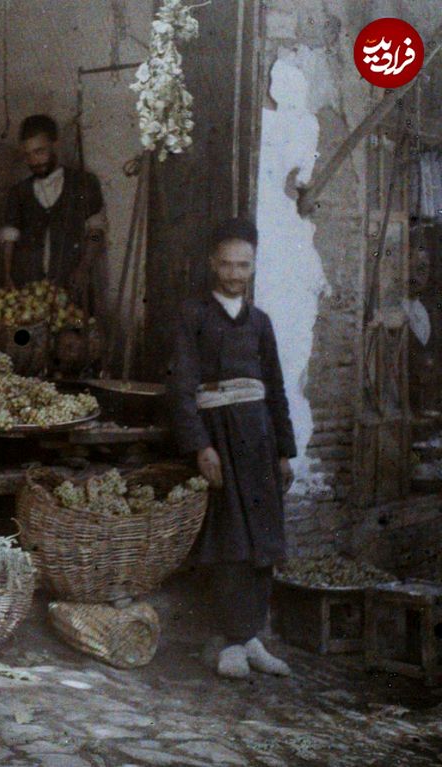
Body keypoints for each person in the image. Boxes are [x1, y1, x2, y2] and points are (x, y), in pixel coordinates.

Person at [166, 217, 296, 680]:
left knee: (263, 535)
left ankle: (253, 637)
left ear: (254, 266)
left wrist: (284, 450)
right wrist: (200, 445)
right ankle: (229, 642)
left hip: (258, 438)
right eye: (227, 264)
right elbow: (181, 385)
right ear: (212, 264)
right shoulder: (193, 315)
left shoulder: (260, 323)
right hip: (219, 439)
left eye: (244, 265)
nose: (235, 274)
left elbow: (276, 388)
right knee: (229, 539)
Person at [0, 114, 107, 310]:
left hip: (73, 288)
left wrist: (84, 268)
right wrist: (7, 276)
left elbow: (96, 232)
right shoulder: (18, 192)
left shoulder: (84, 183)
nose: (34, 161)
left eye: (39, 152)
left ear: (55, 145)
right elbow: (9, 239)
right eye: (28, 154)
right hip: (30, 292)